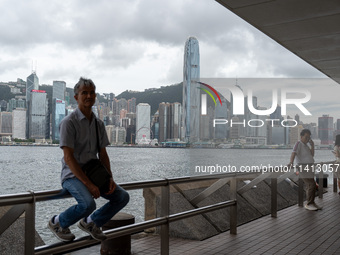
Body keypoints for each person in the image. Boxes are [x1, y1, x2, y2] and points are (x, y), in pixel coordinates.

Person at [48, 77, 129, 242]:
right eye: (84, 92)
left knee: (122, 197)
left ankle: (91, 222)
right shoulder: (68, 123)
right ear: (76, 97)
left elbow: (103, 154)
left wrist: (110, 177)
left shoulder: (99, 124)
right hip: (72, 175)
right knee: (87, 204)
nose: (89, 96)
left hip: (95, 173)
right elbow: (68, 158)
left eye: (92, 93)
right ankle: (57, 222)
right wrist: (89, 184)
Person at [289, 129, 322, 211]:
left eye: (309, 137)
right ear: (301, 136)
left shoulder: (306, 145)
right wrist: (291, 162)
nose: (307, 139)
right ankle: (308, 203)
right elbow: (293, 153)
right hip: (303, 167)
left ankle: (312, 202)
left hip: (309, 167)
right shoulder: (298, 143)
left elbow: (312, 155)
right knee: (311, 185)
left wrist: (312, 146)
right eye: (306, 137)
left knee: (312, 185)